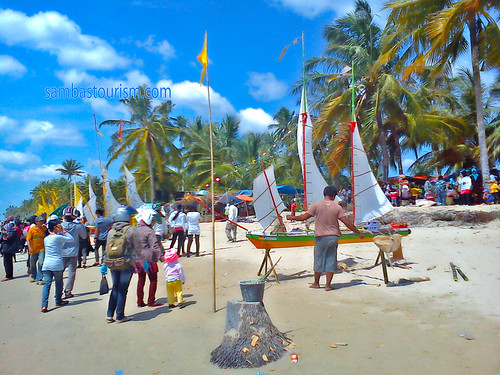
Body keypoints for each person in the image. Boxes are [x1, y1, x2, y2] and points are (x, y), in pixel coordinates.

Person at [286, 186, 364, 291]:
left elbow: (303, 217)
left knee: (318, 259)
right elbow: (347, 222)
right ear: (334, 195)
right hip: (333, 237)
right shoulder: (337, 208)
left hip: (320, 237)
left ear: (324, 194)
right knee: (331, 260)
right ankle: (327, 285)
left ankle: (316, 283)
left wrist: (292, 217)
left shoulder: (316, 205)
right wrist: (358, 232)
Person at [104, 206, 140, 323]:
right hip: (126, 263)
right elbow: (138, 247)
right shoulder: (132, 230)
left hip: (112, 263)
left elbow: (107, 248)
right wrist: (140, 262)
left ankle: (109, 315)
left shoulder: (111, 231)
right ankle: (120, 316)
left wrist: (104, 263)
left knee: (115, 287)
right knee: (122, 289)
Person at [41, 217, 74, 312]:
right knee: (59, 283)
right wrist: (63, 231)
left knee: (47, 285)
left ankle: (44, 305)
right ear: (55, 227)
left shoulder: (46, 239)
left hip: (46, 264)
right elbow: (71, 239)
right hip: (57, 263)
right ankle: (58, 300)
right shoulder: (57, 237)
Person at [135, 209, 163, 307]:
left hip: (138, 259)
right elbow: (155, 246)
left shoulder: (136, 230)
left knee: (141, 280)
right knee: (153, 280)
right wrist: (160, 257)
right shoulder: (150, 231)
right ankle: (151, 301)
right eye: (153, 220)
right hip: (149, 260)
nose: (154, 222)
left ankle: (140, 301)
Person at [61, 207, 87, 299]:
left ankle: (58, 292)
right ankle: (68, 291)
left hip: (61, 253)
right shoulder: (78, 226)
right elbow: (84, 236)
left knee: (59, 273)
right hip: (73, 252)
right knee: (71, 273)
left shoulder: (59, 226)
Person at [26, 215, 47, 284]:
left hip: (42, 248)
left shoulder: (44, 228)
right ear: (36, 222)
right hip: (33, 249)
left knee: (41, 263)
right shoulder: (32, 229)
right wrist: (30, 248)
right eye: (40, 221)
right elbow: (28, 239)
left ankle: (39, 278)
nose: (42, 222)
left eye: (42, 221)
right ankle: (33, 276)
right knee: (32, 264)